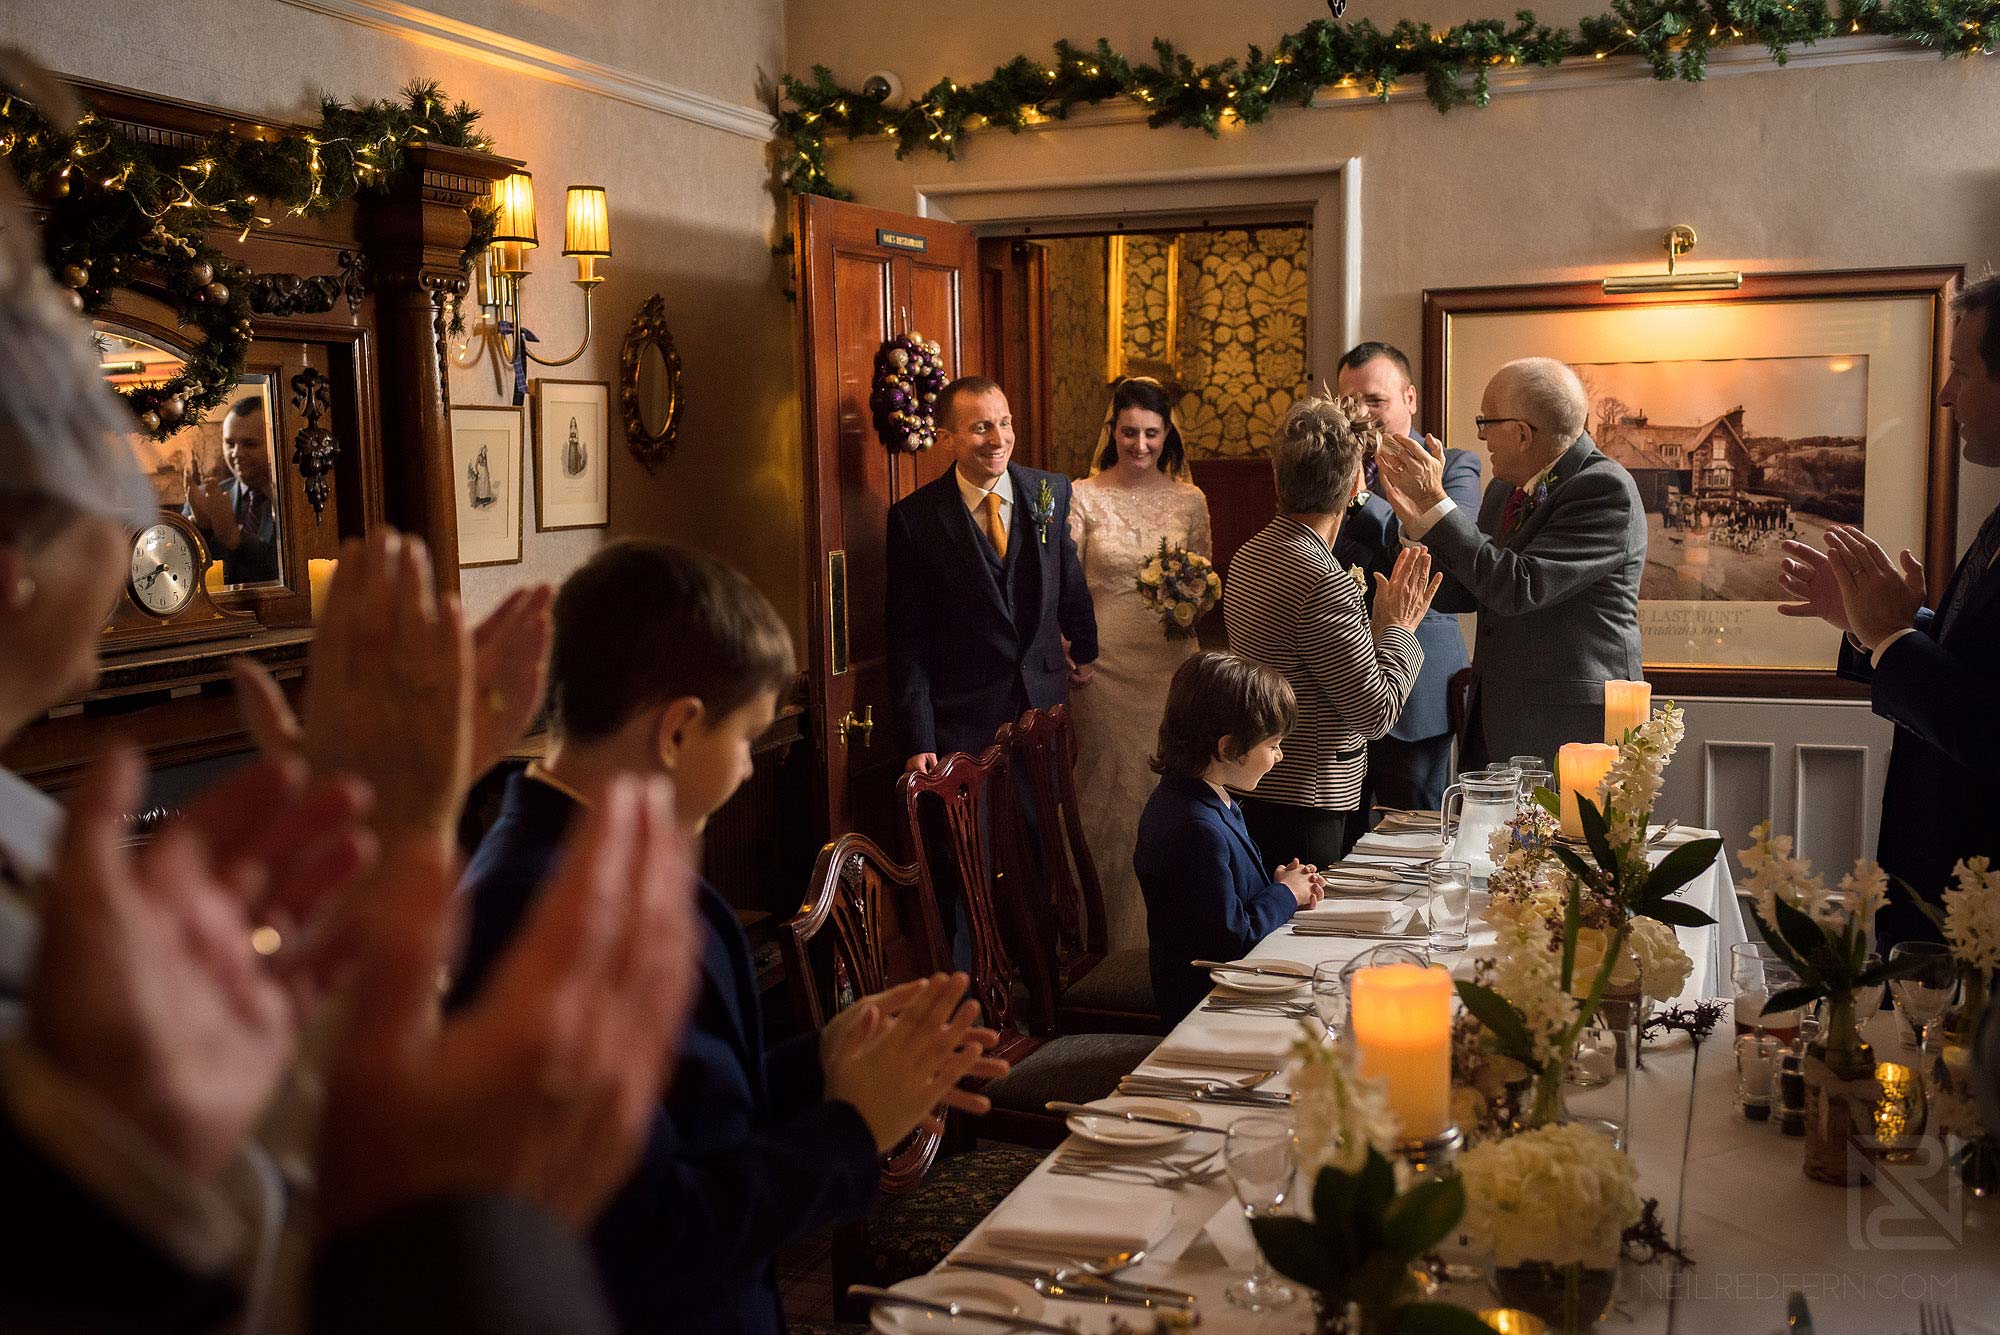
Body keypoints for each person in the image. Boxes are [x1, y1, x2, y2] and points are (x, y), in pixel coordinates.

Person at [450, 540, 1010, 1335]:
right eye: (746, 738)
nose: (749, 769)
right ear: (677, 731)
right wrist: (850, 1131)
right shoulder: (538, 911)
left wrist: (823, 1061)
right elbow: (642, 1238)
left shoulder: (620, 851)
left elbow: (690, 1105)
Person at [1777, 275, 2000, 948]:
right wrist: (1869, 626)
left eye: (1961, 370)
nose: (1944, 394)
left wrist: (1894, 635)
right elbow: (1975, 669)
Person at [1373, 357, 1646, 769]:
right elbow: (1463, 588)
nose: (1481, 437)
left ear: (1522, 434)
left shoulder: (1604, 489)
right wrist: (1415, 524)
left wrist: (1436, 503)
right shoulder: (1504, 489)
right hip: (1496, 713)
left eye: (1486, 422)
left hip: (1570, 727)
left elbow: (1519, 587)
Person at [1222, 392, 1441, 868]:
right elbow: (1375, 714)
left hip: (1254, 788)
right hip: (1308, 798)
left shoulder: (1247, 557)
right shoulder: (1322, 578)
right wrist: (1399, 627)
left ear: (1277, 477)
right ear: (1351, 488)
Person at [886, 375, 1098, 772]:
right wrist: (919, 736)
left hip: (1043, 709)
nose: (999, 440)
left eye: (1005, 423)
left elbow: (1069, 581)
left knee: (1042, 831)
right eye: (981, 427)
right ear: (946, 439)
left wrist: (1086, 650)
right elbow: (907, 638)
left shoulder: (1049, 490)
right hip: (963, 723)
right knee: (974, 835)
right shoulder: (914, 520)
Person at [1066, 376, 1212, 952]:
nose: (1141, 444)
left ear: (1167, 433)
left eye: (1152, 433)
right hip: (1102, 669)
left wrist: (1188, 593)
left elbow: (1207, 581)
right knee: (1111, 796)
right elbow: (1066, 585)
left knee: (1169, 790)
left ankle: (1171, 936)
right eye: (1130, 432)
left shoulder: (1189, 499)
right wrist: (1065, 645)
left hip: (1170, 663)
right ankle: (1105, 941)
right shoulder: (1083, 493)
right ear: (1113, 431)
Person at [1333, 342, 1482, 820]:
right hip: (1336, 685)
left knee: (1413, 840)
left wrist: (1362, 503)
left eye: (1375, 401)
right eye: (1348, 403)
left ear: (1410, 398)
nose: (1360, 415)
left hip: (1418, 688)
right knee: (1335, 850)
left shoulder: (1455, 468)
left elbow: (1432, 563)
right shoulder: (1326, 470)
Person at [1134, 653, 1324, 1022]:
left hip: (1230, 985)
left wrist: (1282, 886)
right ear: (1227, 747)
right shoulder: (1194, 827)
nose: (1280, 756)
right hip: (1209, 1004)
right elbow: (1230, 940)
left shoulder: (1202, 798)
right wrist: (1286, 894)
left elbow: (1219, 905)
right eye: (1272, 745)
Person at [184, 395, 280, 585]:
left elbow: (290, 570)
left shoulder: (295, 497)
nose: (236, 453)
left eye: (249, 444)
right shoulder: (204, 497)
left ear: (274, 441)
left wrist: (234, 538)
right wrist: (200, 529)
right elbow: (181, 569)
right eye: (230, 443)